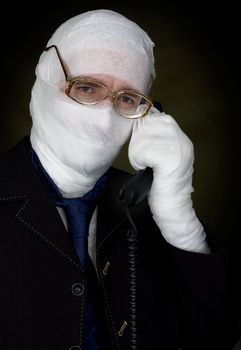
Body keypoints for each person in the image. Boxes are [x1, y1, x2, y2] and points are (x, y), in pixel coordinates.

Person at [0, 9, 238, 350]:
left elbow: (218, 337)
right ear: (46, 81)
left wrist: (178, 217)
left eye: (127, 98)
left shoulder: (146, 209)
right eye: (85, 87)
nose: (104, 116)